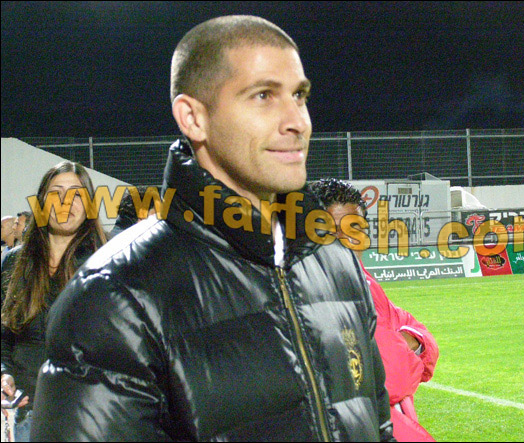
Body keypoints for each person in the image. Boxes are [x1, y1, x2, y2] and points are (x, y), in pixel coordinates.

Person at [31, 15, 394, 441]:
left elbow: (378, 426)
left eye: (299, 95)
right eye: (263, 96)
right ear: (193, 118)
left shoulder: (334, 260)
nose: (297, 121)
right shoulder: (114, 296)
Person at [310, 178, 439, 442]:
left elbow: (424, 341)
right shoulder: (313, 290)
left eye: (355, 228)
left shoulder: (364, 281)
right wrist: (408, 347)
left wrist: (413, 343)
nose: (347, 239)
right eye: (333, 230)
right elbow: (393, 379)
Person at [1, 161, 108, 441]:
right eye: (56, 193)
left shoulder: (108, 263)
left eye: (76, 194)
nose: (65, 202)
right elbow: (3, 337)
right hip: (21, 417)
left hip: (84, 419)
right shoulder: (14, 262)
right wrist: (3, 375)